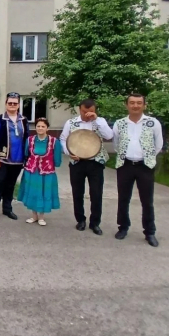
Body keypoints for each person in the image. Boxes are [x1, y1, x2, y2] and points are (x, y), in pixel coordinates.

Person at [113, 94, 163, 247]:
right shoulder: (119, 123)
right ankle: (123, 227)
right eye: (132, 103)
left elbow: (158, 144)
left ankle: (149, 232)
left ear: (144, 105)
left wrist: (148, 157)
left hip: (145, 166)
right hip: (125, 165)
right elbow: (116, 144)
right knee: (123, 198)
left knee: (147, 201)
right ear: (126, 105)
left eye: (139, 103)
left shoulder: (153, 123)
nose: (135, 105)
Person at [60, 98, 113, 235]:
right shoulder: (71, 123)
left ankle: (95, 223)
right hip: (77, 163)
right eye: (85, 111)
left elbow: (109, 135)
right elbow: (63, 139)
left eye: (91, 111)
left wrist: (96, 119)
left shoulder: (100, 122)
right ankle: (80, 220)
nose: (87, 114)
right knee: (77, 193)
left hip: (96, 163)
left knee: (96, 193)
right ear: (80, 109)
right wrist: (69, 152)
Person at [0, 92, 29, 221]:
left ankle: (7, 209)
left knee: (10, 185)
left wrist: (27, 157)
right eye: (10, 103)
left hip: (18, 160)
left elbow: (27, 138)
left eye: (14, 103)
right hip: (2, 159)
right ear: (6, 104)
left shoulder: (24, 120)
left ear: (18, 105)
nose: (12, 105)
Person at [18, 118, 62, 225]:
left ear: (47, 128)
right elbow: (26, 154)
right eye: (38, 126)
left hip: (46, 173)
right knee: (33, 192)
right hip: (32, 172)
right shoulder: (30, 140)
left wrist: (50, 165)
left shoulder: (54, 141)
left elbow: (57, 160)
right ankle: (34, 216)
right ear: (35, 127)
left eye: (43, 126)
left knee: (43, 193)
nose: (40, 128)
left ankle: (41, 217)